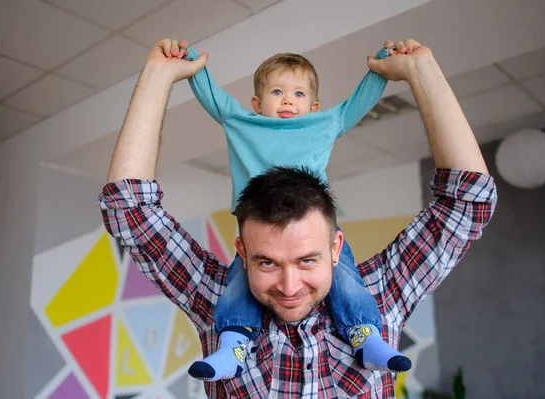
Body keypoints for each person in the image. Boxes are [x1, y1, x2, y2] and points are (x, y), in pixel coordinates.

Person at [99, 38, 497, 398]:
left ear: (335, 245)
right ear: (242, 249)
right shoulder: (215, 299)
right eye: (266, 262)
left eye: (308, 259)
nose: (289, 286)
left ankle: (365, 337)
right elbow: (129, 211)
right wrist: (158, 75)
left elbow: (467, 203)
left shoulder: (381, 294)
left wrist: (420, 71)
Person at [179, 41, 410, 381]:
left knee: (345, 278)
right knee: (240, 284)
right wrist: (189, 62)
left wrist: (380, 66)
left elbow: (356, 105)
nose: (288, 100)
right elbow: (212, 94)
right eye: (277, 91)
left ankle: (366, 338)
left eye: (299, 94)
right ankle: (233, 346)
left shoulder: (322, 123)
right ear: (257, 103)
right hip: (263, 234)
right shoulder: (242, 121)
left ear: (314, 106)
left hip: (311, 230)